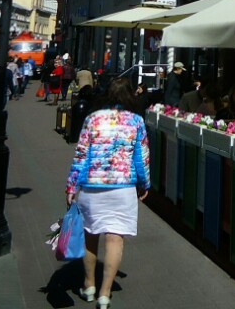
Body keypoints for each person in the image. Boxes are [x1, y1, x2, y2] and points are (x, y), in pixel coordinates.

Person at [66, 77, 150, 308]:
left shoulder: (93, 119)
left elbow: (81, 154)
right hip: (123, 188)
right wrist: (144, 184)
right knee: (115, 239)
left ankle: (89, 284)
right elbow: (141, 158)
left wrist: (72, 186)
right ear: (130, 95)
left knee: (90, 236)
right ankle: (105, 293)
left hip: (92, 187)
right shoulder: (136, 121)